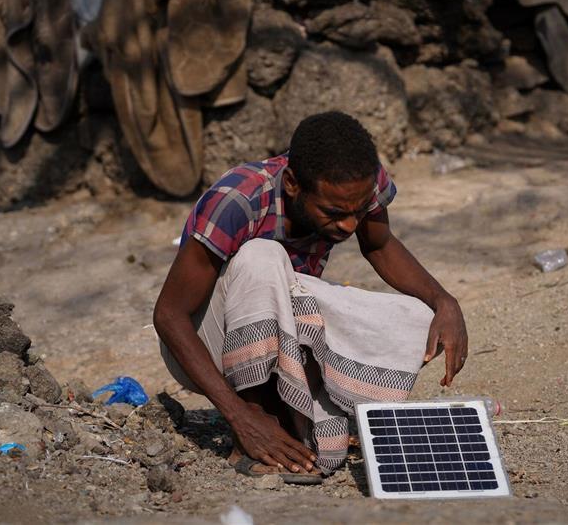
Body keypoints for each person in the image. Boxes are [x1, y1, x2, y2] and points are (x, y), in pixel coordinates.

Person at [154, 111, 468, 483]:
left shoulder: (357, 182)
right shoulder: (239, 200)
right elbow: (169, 314)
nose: (350, 225)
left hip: (281, 328)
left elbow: (380, 244)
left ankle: (299, 414)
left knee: (418, 319)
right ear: (292, 184)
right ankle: (254, 426)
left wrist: (445, 302)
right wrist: (238, 416)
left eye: (358, 211)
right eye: (335, 213)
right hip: (204, 338)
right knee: (263, 256)